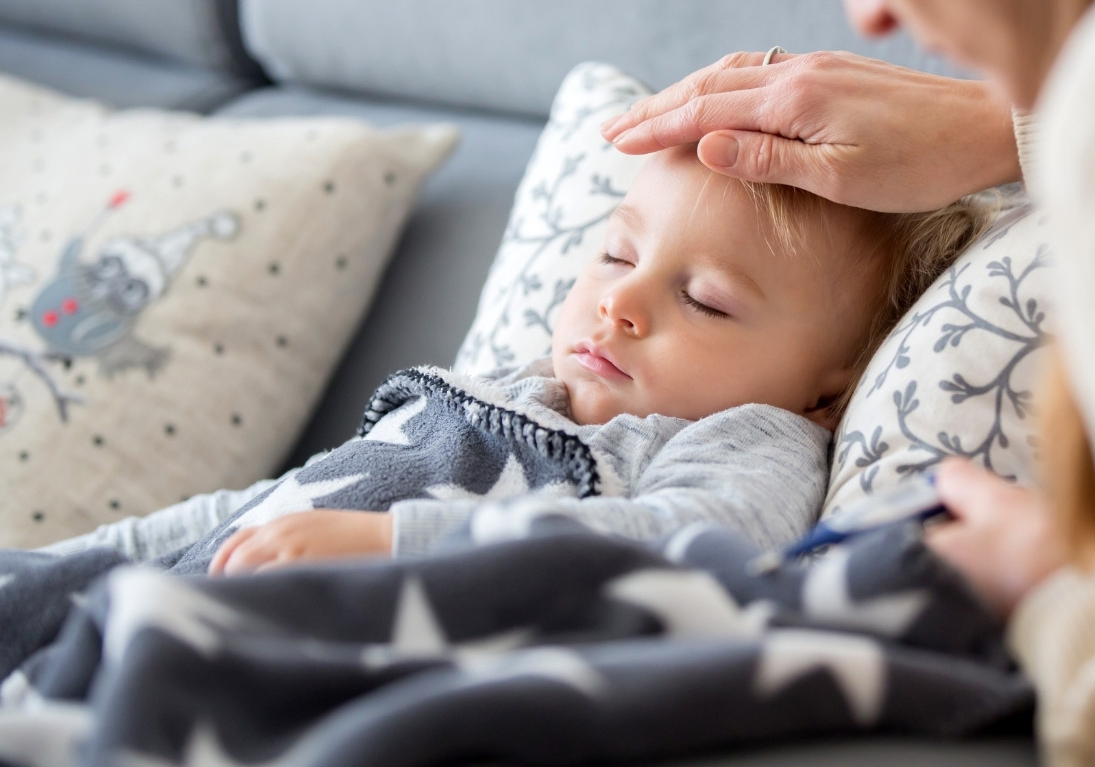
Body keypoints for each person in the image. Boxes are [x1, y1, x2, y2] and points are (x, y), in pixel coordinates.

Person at [602, 0, 1095, 765]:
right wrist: (1014, 126)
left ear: (828, 393)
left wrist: (1053, 594)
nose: (866, 13)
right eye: (613, 252)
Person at [44, 142, 987, 579]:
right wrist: (73, 562)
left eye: (704, 300)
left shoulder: (746, 443)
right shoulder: (492, 390)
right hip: (179, 585)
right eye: (618, 255)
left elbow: (700, 546)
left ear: (827, 394)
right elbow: (263, 506)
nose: (620, 300)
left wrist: (398, 546)